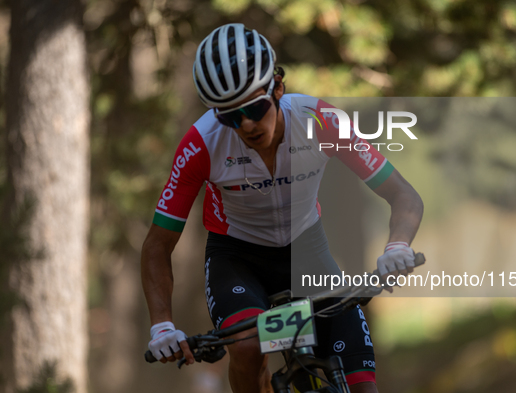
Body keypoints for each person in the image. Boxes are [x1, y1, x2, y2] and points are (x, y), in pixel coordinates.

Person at [141, 23, 423, 393]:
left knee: (361, 384)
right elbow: (157, 245)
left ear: (278, 87)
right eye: (229, 116)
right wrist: (162, 323)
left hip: (307, 250)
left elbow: (403, 195)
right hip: (238, 259)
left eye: (255, 108)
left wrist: (397, 245)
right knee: (246, 345)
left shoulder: (320, 121)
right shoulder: (202, 143)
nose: (245, 124)